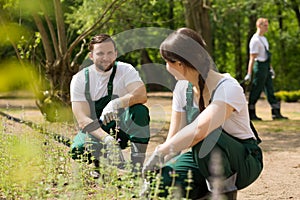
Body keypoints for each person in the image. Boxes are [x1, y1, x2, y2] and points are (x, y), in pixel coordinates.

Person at [142, 28, 263, 199]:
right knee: (162, 182)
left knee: (207, 138)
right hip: (201, 160)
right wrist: (157, 170)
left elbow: (201, 130)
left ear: (179, 63)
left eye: (166, 62)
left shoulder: (228, 87)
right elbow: (174, 138)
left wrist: (160, 150)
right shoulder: (182, 89)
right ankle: (204, 192)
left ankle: (223, 195)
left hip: (244, 161)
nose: (165, 67)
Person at [70, 34, 150, 177]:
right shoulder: (80, 79)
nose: (106, 57)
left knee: (140, 111)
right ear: (91, 56)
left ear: (116, 54)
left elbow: (141, 95)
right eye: (100, 53)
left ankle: (137, 169)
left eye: (109, 53)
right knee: (79, 149)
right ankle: (98, 165)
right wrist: (107, 139)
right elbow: (82, 119)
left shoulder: (126, 70)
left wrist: (116, 103)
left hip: (121, 126)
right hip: (94, 128)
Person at [244, 18, 288, 120]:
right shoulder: (255, 40)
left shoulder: (264, 39)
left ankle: (275, 113)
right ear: (259, 26)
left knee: (270, 89)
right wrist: (249, 73)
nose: (267, 27)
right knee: (256, 89)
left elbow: (267, 56)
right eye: (265, 25)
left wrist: (271, 68)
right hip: (259, 66)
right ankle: (251, 113)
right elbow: (252, 58)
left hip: (266, 66)